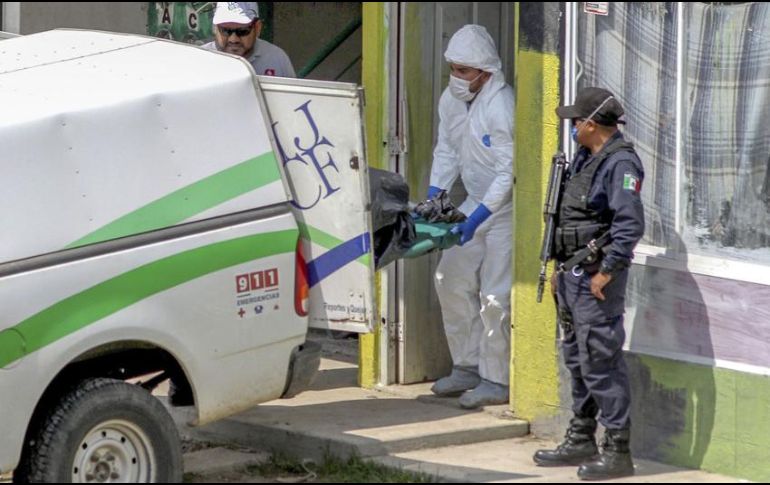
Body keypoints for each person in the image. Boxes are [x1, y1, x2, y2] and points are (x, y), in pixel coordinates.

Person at [532, 87, 644, 480]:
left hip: (596, 278)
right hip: (573, 275)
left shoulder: (621, 164)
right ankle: (581, 436)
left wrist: (607, 271)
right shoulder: (584, 158)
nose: (573, 128)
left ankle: (618, 451)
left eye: (576, 122)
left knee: (601, 361)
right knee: (578, 360)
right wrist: (559, 270)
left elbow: (629, 225)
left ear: (591, 124)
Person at [427, 25, 514, 410]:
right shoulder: (451, 99)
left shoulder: (501, 106)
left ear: (485, 72)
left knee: (495, 294)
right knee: (450, 278)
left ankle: (496, 378)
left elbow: (507, 173)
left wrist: (476, 218)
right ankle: (466, 365)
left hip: (505, 211)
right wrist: (435, 198)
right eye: (453, 68)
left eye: (463, 70)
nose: (456, 77)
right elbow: (446, 149)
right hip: (474, 203)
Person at [202, 2, 295, 78]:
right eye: (225, 30)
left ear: (257, 28)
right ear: (215, 28)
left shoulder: (277, 59)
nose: (233, 39)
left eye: (242, 31)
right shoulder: (197, 59)